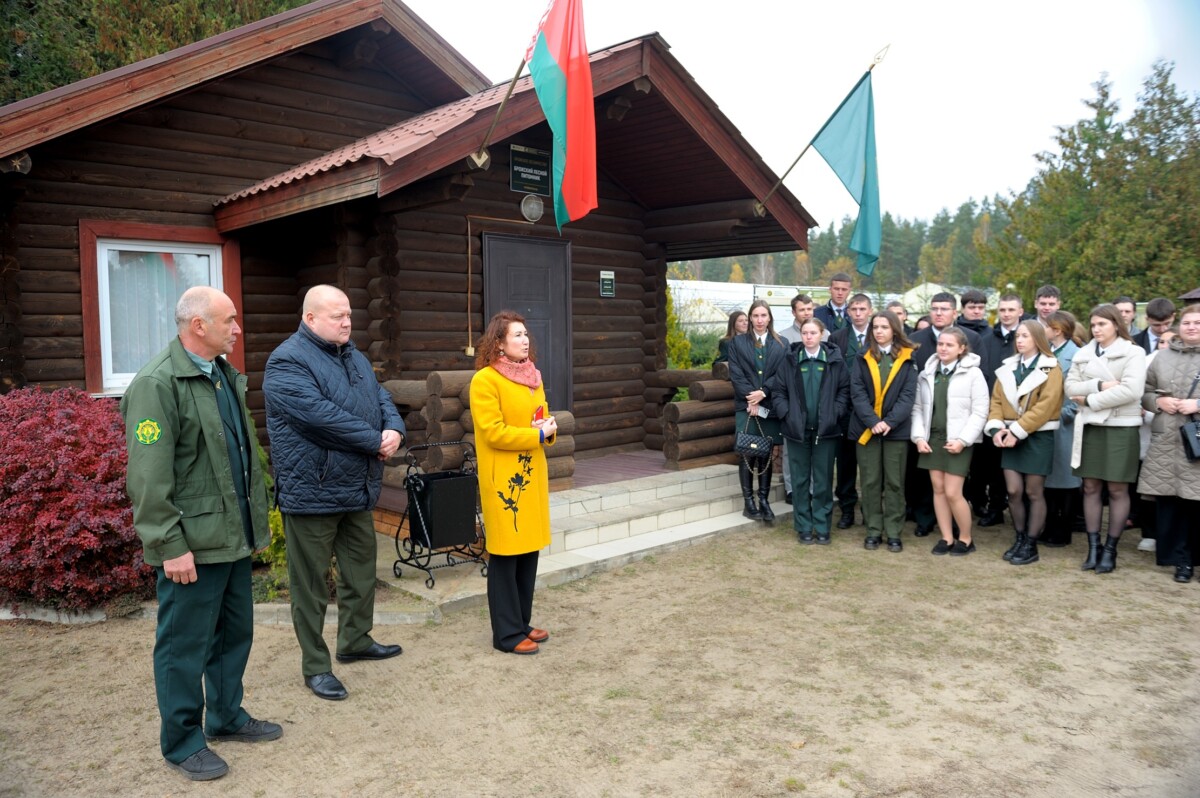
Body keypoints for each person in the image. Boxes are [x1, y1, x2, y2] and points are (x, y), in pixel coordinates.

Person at [121, 286, 279, 782]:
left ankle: (226, 717)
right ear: (198, 327)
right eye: (229, 319)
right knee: (183, 645)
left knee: (234, 634)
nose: (237, 327)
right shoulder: (157, 384)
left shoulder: (222, 377)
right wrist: (170, 546)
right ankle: (182, 742)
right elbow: (149, 477)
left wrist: (256, 524)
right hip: (192, 545)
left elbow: (240, 459)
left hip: (231, 537)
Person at [263, 285, 406, 701]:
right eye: (336, 316)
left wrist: (395, 428)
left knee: (361, 572)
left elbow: (382, 397)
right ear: (310, 318)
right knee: (310, 585)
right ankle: (315, 666)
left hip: (356, 488)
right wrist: (374, 441)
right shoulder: (287, 361)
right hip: (312, 491)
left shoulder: (355, 356)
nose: (346, 322)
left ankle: (356, 641)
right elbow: (320, 417)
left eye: (348, 315)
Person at [470, 311, 557, 654]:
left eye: (525, 334)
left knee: (528, 553)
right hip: (504, 479)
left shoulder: (533, 376)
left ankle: (521, 622)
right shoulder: (485, 381)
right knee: (506, 557)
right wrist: (537, 434)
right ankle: (505, 635)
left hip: (531, 475)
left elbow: (541, 415)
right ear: (499, 344)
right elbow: (492, 432)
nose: (525, 340)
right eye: (517, 335)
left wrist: (547, 429)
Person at [1064, 304, 1148, 574]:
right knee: (1089, 486)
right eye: (1093, 324)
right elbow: (1069, 387)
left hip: (1121, 425)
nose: (1096, 329)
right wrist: (1099, 386)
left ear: (1116, 324)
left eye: (1102, 324)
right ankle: (1093, 547)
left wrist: (1089, 399)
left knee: (1117, 489)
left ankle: (1111, 549)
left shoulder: (1133, 352)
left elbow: (1132, 391)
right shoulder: (1084, 353)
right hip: (1090, 426)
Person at [907, 293, 987, 538]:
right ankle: (946, 538)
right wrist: (919, 436)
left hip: (958, 441)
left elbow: (980, 411)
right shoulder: (927, 374)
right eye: (941, 344)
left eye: (949, 345)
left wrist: (964, 440)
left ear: (962, 348)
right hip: (933, 439)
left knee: (953, 492)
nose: (943, 348)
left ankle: (965, 537)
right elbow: (918, 408)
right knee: (938, 490)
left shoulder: (973, 374)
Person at [985, 321, 1064, 565]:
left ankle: (1031, 542)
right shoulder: (1008, 368)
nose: (1020, 340)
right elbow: (996, 401)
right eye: (1018, 336)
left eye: (1026, 336)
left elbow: (1046, 406)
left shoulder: (1051, 368)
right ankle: (1019, 537)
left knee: (1033, 491)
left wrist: (1017, 431)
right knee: (1013, 491)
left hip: (1037, 435)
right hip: (1009, 433)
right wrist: (997, 428)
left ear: (1038, 339)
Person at [770, 318, 850, 544]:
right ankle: (804, 526)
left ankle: (822, 526)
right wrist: (787, 414)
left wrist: (835, 414)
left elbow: (844, 390)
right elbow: (778, 392)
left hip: (826, 432)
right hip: (797, 432)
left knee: (824, 481)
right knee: (800, 481)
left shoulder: (834, 360)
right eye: (805, 332)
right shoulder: (790, 360)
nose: (809, 336)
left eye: (813, 332)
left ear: (822, 334)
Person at [1137, 304, 1200, 583]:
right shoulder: (1161, 358)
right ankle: (1181, 560)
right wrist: (1159, 402)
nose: (1192, 327)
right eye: (1188, 323)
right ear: (1179, 325)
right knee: (1174, 503)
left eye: (1198, 323)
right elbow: (1146, 392)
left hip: (1196, 439)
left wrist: (1197, 404)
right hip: (1169, 439)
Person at [849, 310, 919, 551]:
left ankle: (893, 531)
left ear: (895, 330)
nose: (879, 331)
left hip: (895, 432)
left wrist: (889, 422)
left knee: (895, 483)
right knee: (869, 482)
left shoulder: (908, 358)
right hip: (867, 430)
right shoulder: (862, 356)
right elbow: (856, 393)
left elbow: (908, 395)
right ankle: (873, 529)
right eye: (875, 327)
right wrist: (872, 421)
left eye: (884, 327)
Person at [728, 299, 788, 522]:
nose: (760, 320)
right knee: (748, 453)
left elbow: (782, 374)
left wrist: (763, 393)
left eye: (763, 315)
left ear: (769, 317)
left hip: (769, 405)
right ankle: (748, 502)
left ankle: (764, 500)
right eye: (755, 316)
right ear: (750, 318)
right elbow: (736, 374)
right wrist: (751, 399)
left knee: (765, 454)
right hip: (746, 406)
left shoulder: (781, 343)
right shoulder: (738, 343)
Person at [828, 293, 874, 528]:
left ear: (870, 311)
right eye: (853, 309)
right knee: (845, 465)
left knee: (870, 466)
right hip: (845, 413)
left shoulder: (879, 336)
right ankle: (847, 510)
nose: (857, 313)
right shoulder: (837, 337)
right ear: (847, 312)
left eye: (862, 309)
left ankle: (870, 511)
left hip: (872, 413)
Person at [1042, 311, 1084, 546]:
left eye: (1046, 326)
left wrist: (1063, 414)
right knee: (1047, 479)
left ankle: (1064, 530)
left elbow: (1080, 394)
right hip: (1044, 423)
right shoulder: (1045, 352)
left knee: (1066, 481)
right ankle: (1048, 526)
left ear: (1057, 330)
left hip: (1065, 424)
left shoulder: (1077, 356)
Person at [778, 294, 814, 505]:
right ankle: (792, 489)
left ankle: (811, 488)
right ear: (794, 312)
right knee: (790, 450)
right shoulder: (783, 338)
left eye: (809, 309)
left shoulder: (825, 334)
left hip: (816, 405)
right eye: (802, 310)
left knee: (814, 450)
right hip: (793, 404)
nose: (806, 313)